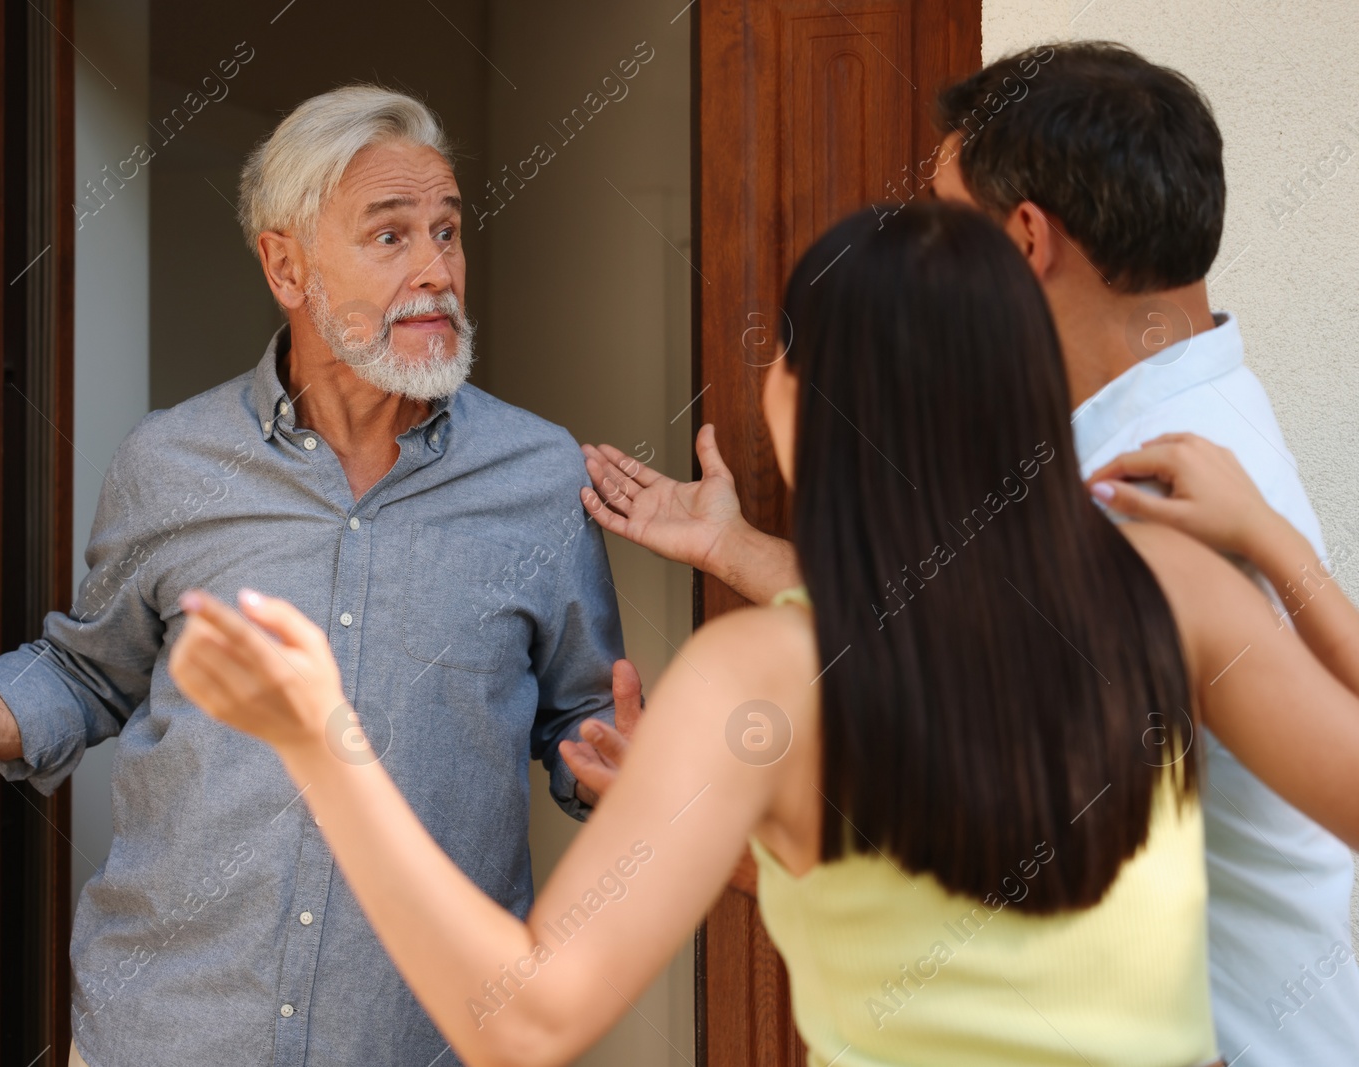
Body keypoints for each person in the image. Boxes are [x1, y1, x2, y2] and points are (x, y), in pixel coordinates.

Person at [169, 202, 1359, 1067]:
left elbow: (520, 1018)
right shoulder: (1172, 584)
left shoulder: (764, 678)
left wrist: (323, 739)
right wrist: (1277, 548)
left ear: (804, 394)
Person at [0, 85, 639, 1067]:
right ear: (286, 264)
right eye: (390, 237)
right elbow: (90, 673)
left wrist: (622, 774)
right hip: (166, 1033)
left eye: (448, 232)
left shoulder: (540, 477)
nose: (438, 271)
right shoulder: (168, 460)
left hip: (421, 1039)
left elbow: (583, 724)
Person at [580, 42, 1359, 1062]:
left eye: (950, 219)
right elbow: (962, 621)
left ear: (1025, 239)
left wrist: (686, 809)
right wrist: (738, 547)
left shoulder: (1141, 491)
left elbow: (947, 730)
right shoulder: (1187, 414)